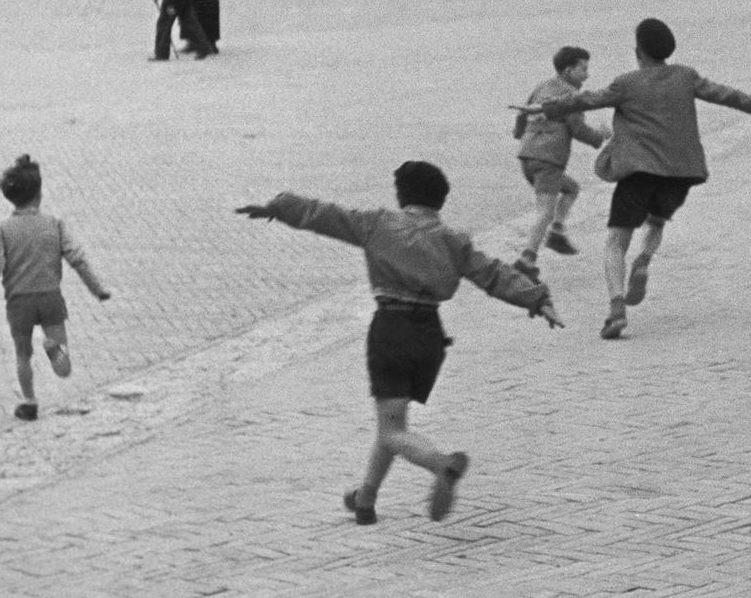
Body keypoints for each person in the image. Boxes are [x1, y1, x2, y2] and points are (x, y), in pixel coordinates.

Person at [236, 161, 564, 524]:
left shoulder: (378, 223)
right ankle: (365, 499)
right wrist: (535, 298)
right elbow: (492, 273)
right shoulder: (453, 240)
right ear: (439, 201)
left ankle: (441, 464)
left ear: (401, 195)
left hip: (391, 328)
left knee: (393, 430)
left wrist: (279, 207)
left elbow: (323, 214)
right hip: (429, 335)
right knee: (392, 423)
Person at [517, 18, 751, 341]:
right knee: (656, 223)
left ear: (638, 51)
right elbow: (727, 95)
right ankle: (645, 259)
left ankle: (616, 309)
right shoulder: (685, 76)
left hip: (639, 172)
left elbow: (586, 99)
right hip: (681, 173)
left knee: (614, 241)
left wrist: (546, 107)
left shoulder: (626, 83)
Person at [0, 154, 112, 421]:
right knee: (64, 366)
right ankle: (54, 349)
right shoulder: (54, 224)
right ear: (39, 193)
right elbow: (77, 258)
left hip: (19, 303)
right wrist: (97, 289)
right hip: (50, 298)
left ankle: (30, 402)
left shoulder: (2, 230)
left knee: (22, 355)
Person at [512, 46, 608, 281]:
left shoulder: (543, 87)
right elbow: (578, 129)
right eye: (583, 69)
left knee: (571, 188)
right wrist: (601, 136)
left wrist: (519, 133)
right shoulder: (570, 97)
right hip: (548, 159)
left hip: (527, 157)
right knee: (544, 211)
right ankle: (527, 259)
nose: (587, 75)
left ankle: (557, 231)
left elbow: (522, 114)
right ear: (568, 71)